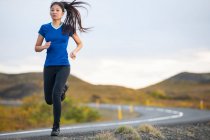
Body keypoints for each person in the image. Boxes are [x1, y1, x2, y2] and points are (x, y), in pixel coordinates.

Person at [34, 0, 90, 136]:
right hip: (49, 66)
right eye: (52, 10)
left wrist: (75, 52)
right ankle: (64, 89)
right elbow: (36, 47)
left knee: (55, 94)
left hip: (63, 65)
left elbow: (80, 43)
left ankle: (56, 127)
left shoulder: (68, 28)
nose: (54, 12)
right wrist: (43, 46)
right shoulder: (44, 28)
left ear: (63, 13)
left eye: (57, 10)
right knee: (49, 100)